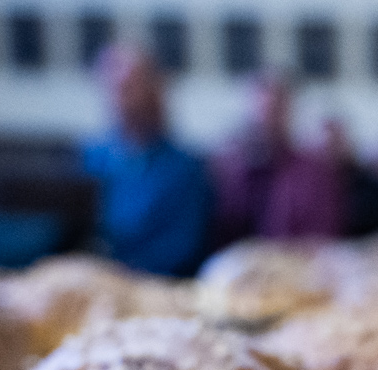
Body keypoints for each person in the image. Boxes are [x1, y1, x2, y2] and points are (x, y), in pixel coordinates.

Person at [83, 43, 212, 276]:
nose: (119, 96)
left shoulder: (183, 170)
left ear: (155, 89)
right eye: (113, 86)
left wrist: (115, 273)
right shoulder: (90, 159)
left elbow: (181, 249)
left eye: (130, 86)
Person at [212, 76, 345, 243]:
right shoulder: (227, 170)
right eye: (262, 109)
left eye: (275, 110)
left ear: (289, 110)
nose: (266, 120)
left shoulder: (316, 173)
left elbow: (323, 237)